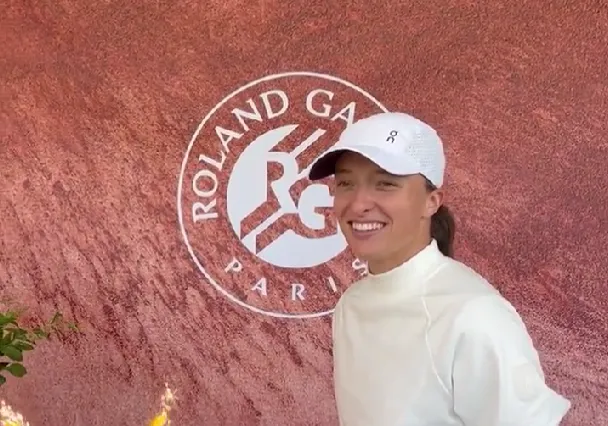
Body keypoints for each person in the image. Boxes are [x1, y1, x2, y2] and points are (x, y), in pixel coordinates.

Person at [308, 112, 571, 426]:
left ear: (430, 202)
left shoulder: (472, 314)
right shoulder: (350, 305)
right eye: (346, 183)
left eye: (385, 184)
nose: (359, 203)